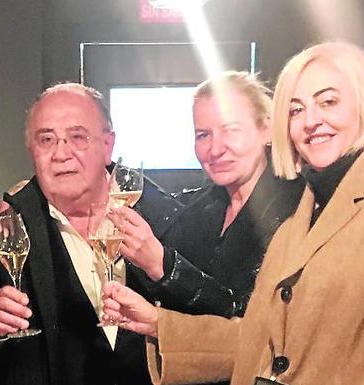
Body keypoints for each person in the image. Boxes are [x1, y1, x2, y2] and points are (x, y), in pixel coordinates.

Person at [103, 41, 364, 385]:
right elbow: (259, 339)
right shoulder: (307, 213)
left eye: (328, 102)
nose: (311, 121)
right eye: (295, 110)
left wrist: (165, 267)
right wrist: (160, 324)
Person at [0, 82, 181, 385]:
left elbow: (204, 331)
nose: (61, 153)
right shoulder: (5, 231)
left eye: (77, 137)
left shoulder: (167, 217)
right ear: (31, 150)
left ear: (108, 144)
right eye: (46, 139)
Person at [108, 71, 303, 320]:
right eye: (203, 135)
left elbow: (256, 318)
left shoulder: (296, 208)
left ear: (266, 130)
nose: (216, 148)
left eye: (231, 130)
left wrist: (165, 267)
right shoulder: (203, 205)